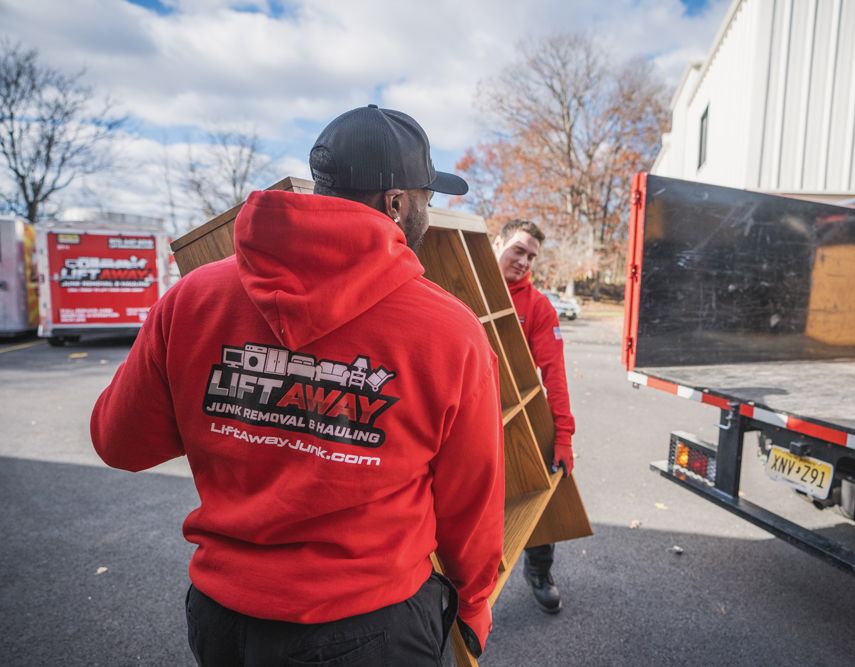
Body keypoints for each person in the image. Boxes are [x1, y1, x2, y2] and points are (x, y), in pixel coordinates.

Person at [91, 105, 504, 665]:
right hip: (371, 626)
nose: (427, 214)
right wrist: (474, 603)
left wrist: (236, 405)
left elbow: (120, 443)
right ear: (397, 203)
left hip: (224, 623)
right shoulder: (449, 330)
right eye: (427, 199)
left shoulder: (193, 298)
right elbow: (471, 500)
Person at [492, 220, 576, 614]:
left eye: (531, 256)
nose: (524, 261)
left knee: (538, 491)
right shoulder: (463, 287)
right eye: (518, 250)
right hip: (468, 417)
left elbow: (554, 375)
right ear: (497, 242)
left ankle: (539, 571)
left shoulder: (538, 306)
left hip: (521, 414)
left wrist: (563, 437)